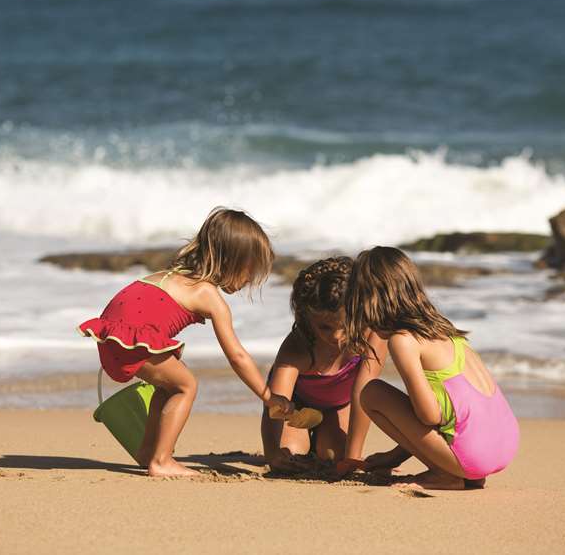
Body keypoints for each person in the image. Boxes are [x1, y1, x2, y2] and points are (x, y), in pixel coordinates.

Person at [78, 207, 292, 477]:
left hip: (110, 334)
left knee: (168, 387)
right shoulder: (207, 293)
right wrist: (268, 396)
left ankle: (149, 452)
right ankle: (162, 461)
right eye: (250, 270)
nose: (250, 279)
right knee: (186, 385)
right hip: (132, 338)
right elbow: (236, 356)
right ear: (232, 261)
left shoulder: (172, 274)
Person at [345, 246, 519, 489]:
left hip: (473, 456)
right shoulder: (445, 330)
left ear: (370, 301)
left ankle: (445, 474)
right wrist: (392, 457)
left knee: (373, 393)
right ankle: (461, 470)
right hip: (502, 447)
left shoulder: (403, 341)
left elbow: (429, 416)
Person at [260, 257, 387, 475]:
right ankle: (305, 438)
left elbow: (363, 394)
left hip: (341, 404)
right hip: (296, 407)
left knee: (334, 456)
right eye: (325, 327)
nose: (337, 337)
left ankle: (323, 437)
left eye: (346, 325)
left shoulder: (372, 333)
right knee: (291, 456)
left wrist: (352, 458)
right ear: (306, 318)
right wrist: (272, 454)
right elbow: (276, 405)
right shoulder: (299, 346)